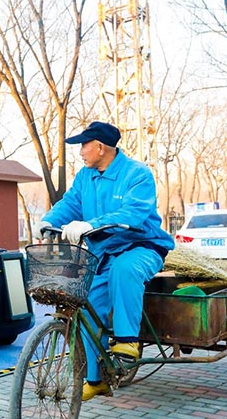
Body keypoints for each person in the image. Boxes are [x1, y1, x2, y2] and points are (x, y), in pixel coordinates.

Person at [34, 121, 174, 401]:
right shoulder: (85, 177)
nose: (80, 152)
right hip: (103, 252)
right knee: (88, 307)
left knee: (124, 269)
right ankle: (95, 379)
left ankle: (126, 342)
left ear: (100, 147)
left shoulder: (137, 174)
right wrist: (48, 220)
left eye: (84, 145)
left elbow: (132, 214)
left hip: (142, 246)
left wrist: (91, 224)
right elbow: (70, 203)